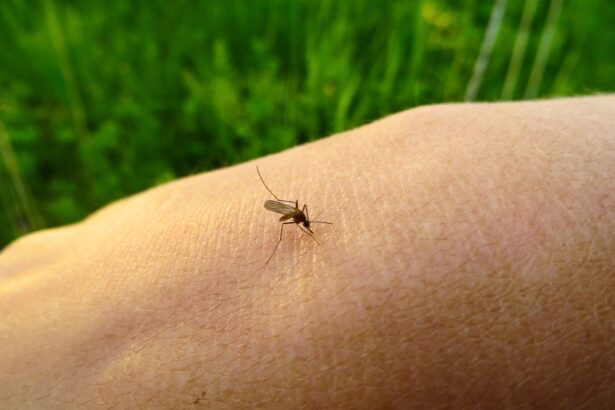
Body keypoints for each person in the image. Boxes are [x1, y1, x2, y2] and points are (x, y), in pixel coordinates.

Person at [0, 96, 613, 408]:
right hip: (279, 208)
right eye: (303, 219)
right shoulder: (291, 217)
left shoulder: (303, 215)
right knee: (288, 219)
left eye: (302, 218)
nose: (304, 221)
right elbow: (289, 216)